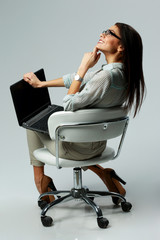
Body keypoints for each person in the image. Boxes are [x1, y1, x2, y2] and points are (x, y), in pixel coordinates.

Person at [23, 22, 146, 207]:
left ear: (121, 47)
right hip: (96, 144)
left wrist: (83, 67)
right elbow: (73, 79)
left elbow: (69, 103)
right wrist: (41, 84)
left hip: (78, 148)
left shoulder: (105, 77)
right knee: (52, 120)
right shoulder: (122, 75)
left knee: (31, 121)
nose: (102, 34)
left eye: (110, 32)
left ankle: (40, 181)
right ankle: (104, 173)